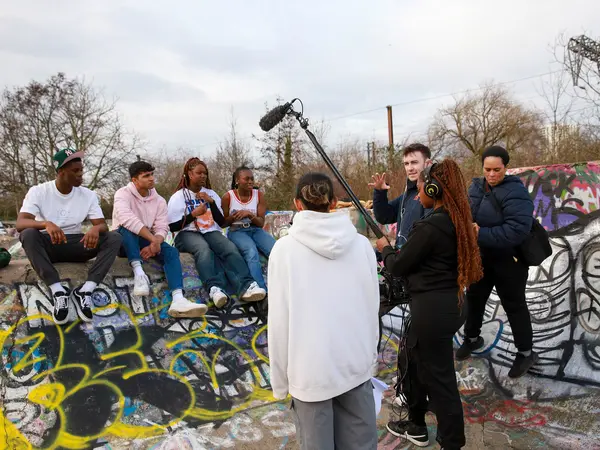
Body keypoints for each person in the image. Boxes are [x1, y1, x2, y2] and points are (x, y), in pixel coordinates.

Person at [376, 159, 483, 449]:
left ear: (434, 189)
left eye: (420, 187)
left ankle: (452, 442)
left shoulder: (431, 225)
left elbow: (398, 265)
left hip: (433, 311)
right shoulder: (457, 219)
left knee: (441, 379)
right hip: (449, 305)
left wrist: (384, 248)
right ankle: (416, 424)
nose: (417, 193)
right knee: (416, 364)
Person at [268, 172, 380, 450]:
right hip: (355, 363)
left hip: (310, 371)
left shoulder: (283, 250)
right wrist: (369, 359)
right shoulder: (362, 245)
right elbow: (372, 306)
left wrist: (280, 381)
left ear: (297, 204)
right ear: (333, 203)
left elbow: (279, 321)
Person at [457, 145, 538, 378]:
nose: (492, 174)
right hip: (480, 259)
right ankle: (471, 339)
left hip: (509, 260)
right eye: (488, 169)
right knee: (474, 299)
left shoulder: (516, 192)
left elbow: (517, 230)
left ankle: (526, 353)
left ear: (506, 168)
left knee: (514, 305)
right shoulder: (475, 187)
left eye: (497, 170)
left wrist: (479, 234)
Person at [16, 148, 122, 325]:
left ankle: (86, 291)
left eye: (81, 170)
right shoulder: (39, 191)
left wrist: (96, 229)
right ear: (60, 172)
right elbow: (21, 223)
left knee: (115, 237)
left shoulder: (88, 195)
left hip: (76, 244)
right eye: (75, 171)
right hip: (48, 246)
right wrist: (45, 224)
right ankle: (58, 291)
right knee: (28, 234)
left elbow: (102, 224)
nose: (80, 174)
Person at [112, 160, 207, 318]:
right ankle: (139, 273)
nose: (151, 179)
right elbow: (127, 219)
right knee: (126, 229)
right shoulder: (122, 194)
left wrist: (156, 241)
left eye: (152, 174)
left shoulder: (159, 200)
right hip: (123, 241)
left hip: (148, 241)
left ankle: (178, 299)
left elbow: (163, 226)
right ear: (134, 180)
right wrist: (153, 240)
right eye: (146, 176)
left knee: (170, 252)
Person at [167, 158, 266, 308]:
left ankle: (247, 286)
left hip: (210, 231)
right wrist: (193, 214)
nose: (203, 176)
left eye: (205, 174)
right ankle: (215, 289)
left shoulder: (211, 193)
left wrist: (211, 203)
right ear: (189, 174)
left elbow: (221, 222)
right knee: (203, 249)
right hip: (187, 233)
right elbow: (172, 226)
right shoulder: (178, 197)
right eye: (199, 173)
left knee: (229, 248)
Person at [222, 166, 276, 291]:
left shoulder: (259, 195)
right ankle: (261, 291)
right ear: (237, 180)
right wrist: (233, 217)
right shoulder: (228, 197)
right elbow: (223, 223)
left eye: (252, 179)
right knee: (251, 252)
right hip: (237, 231)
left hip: (255, 230)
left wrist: (250, 215)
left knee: (276, 249)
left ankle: (285, 284)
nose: (250, 182)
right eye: (246, 179)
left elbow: (261, 223)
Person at [370, 143, 432, 249]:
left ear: (428, 163)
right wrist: (379, 193)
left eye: (414, 162)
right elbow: (384, 216)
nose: (410, 168)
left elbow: (428, 235)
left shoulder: (434, 194)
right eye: (406, 164)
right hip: (404, 258)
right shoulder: (406, 196)